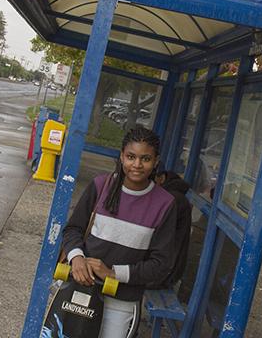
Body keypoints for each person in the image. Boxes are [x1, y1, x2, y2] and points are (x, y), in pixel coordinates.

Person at [62, 126, 177, 338]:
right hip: (81, 290)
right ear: (121, 156)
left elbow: (162, 264)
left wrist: (113, 273)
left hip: (122, 302)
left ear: (156, 161)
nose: (137, 165)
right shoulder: (100, 186)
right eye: (131, 156)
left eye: (145, 158)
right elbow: (73, 229)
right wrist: (76, 258)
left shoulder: (165, 204)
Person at [150, 170, 191, 291]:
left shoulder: (172, 200)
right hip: (167, 269)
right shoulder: (175, 196)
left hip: (163, 273)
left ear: (161, 178)